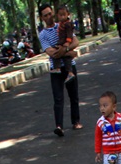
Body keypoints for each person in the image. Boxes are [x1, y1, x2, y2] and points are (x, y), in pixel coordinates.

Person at [39, 3, 82, 137]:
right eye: (45, 15)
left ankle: (76, 121)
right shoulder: (42, 35)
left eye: (50, 13)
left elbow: (75, 42)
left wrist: (66, 50)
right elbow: (51, 53)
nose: (48, 17)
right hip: (55, 69)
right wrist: (69, 53)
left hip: (69, 66)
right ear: (42, 18)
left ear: (54, 13)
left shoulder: (63, 25)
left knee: (73, 95)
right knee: (58, 98)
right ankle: (59, 126)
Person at [55, 5, 79, 83]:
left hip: (65, 42)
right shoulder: (60, 24)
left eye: (64, 15)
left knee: (66, 58)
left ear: (67, 14)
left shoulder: (67, 24)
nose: (62, 17)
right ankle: (58, 68)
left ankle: (70, 72)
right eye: (60, 15)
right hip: (61, 42)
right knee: (58, 52)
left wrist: (68, 43)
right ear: (57, 15)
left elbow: (69, 34)